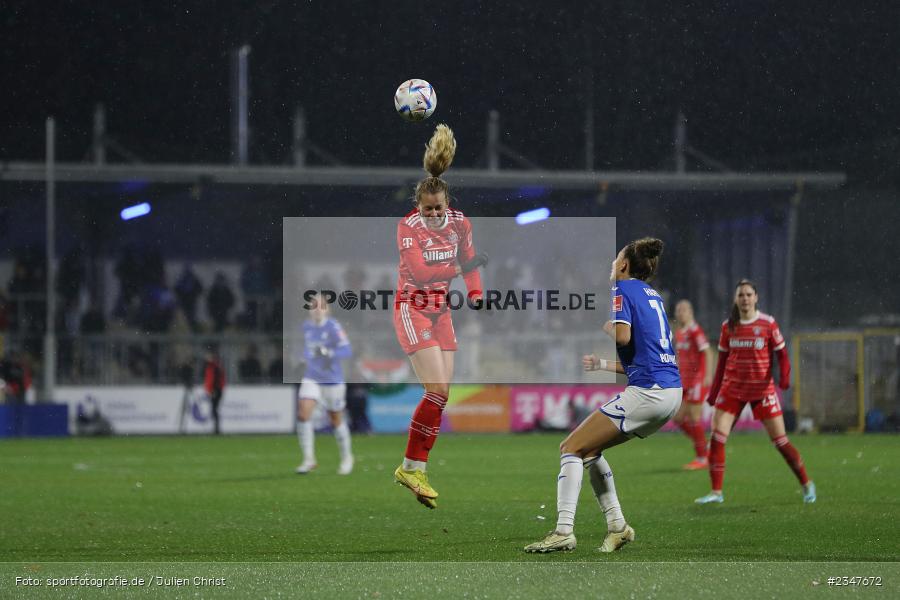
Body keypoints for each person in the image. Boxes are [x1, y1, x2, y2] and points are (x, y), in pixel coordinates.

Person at [525, 237, 681, 554]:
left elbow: (623, 337)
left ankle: (563, 531)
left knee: (570, 447)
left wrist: (610, 329)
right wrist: (603, 365)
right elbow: (645, 357)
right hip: (669, 391)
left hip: (649, 392)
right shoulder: (652, 295)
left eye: (616, 258)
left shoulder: (622, 289)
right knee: (590, 449)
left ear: (624, 265)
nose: (612, 263)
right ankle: (618, 527)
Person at [392, 124, 488, 509]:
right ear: (418, 207)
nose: (433, 214)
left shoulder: (460, 224)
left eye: (438, 208)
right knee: (437, 390)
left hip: (441, 313)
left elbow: (470, 260)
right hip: (412, 308)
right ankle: (410, 468)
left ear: (447, 204)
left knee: (442, 395)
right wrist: (462, 271)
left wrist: (476, 293)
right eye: (427, 209)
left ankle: (415, 471)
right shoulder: (407, 227)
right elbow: (420, 273)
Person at [695, 279, 816, 504]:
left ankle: (807, 483)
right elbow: (721, 363)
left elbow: (782, 355)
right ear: (736, 299)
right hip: (733, 390)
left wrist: (785, 378)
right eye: (741, 295)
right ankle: (716, 493)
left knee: (781, 442)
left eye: (749, 295)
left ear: (756, 298)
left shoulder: (768, 324)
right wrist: (713, 393)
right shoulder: (728, 326)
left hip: (762, 391)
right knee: (717, 439)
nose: (745, 299)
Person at [295, 293, 354, 475]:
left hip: (332, 380)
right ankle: (309, 459)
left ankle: (347, 458)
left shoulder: (333, 327)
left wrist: (328, 353)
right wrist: (302, 358)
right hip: (312, 377)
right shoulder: (306, 327)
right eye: (313, 305)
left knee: (335, 419)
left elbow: (347, 350)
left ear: (327, 309)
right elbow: (305, 349)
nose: (317, 309)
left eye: (321, 306)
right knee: (303, 413)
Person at [671, 299, 715, 470]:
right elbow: (681, 357)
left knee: (694, 418)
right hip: (684, 380)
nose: (680, 313)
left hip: (697, 380)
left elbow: (708, 352)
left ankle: (702, 457)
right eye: (678, 310)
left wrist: (707, 375)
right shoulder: (679, 333)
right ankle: (703, 445)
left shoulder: (695, 330)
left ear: (690, 312)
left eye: (683, 310)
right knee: (677, 418)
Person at [202, 349, 226, 435]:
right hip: (216, 389)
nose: (207, 358)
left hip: (215, 390)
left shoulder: (213, 367)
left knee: (214, 409)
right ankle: (216, 428)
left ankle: (216, 429)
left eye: (208, 356)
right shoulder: (215, 366)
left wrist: (212, 390)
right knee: (214, 409)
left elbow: (212, 379)